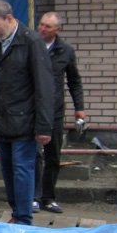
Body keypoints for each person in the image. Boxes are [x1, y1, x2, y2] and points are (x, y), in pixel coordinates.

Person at [0, 0, 53, 225]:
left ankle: (23, 219)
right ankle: (16, 212)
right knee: (8, 170)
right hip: (3, 120)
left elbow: (44, 86)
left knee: (22, 170)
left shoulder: (31, 42)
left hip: (25, 121)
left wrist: (43, 126)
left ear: (10, 19)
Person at [33, 11, 86, 214]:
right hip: (35, 110)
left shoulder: (65, 51)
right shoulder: (32, 47)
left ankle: (48, 197)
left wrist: (79, 108)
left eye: (47, 26)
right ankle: (34, 197)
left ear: (57, 30)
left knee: (53, 154)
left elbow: (74, 81)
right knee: (35, 154)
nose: (42, 28)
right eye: (41, 24)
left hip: (55, 111)